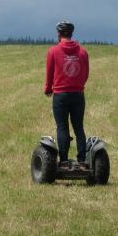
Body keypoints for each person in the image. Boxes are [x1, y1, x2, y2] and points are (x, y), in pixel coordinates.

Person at [44, 21, 90, 166]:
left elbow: (49, 73)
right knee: (78, 127)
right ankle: (82, 159)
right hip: (78, 94)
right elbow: (86, 73)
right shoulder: (83, 52)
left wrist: (48, 89)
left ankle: (64, 160)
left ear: (59, 34)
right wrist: (79, 85)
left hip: (60, 95)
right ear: (71, 33)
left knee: (62, 127)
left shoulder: (53, 51)